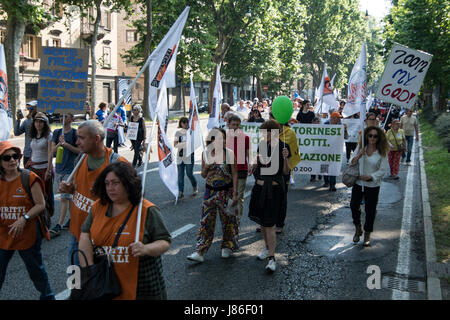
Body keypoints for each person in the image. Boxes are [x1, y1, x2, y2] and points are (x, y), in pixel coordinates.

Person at [78, 162, 171, 300]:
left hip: (142, 285)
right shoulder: (98, 207)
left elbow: (165, 241)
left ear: (128, 183)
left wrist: (146, 249)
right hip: (106, 284)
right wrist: (89, 269)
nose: (110, 188)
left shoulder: (147, 210)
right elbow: (85, 235)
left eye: (115, 183)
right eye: (107, 183)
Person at [59, 120, 128, 266]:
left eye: (82, 138)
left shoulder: (116, 163)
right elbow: (80, 188)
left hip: (101, 239)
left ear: (96, 139)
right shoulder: (81, 158)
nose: (77, 142)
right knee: (75, 280)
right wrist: (70, 189)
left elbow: (131, 202)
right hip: (76, 233)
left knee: (96, 281)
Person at [0, 141, 55, 300]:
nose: (12, 160)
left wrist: (24, 219)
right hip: (4, 236)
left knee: (36, 271)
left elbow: (40, 204)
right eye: (7, 157)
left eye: (15, 156)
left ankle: (48, 296)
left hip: (28, 235)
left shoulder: (29, 178)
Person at [187, 128, 239, 263]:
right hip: (210, 193)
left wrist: (235, 193)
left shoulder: (229, 154)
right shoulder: (206, 154)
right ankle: (200, 251)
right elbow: (203, 175)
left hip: (226, 192)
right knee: (206, 222)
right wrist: (207, 166)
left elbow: (234, 174)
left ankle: (227, 245)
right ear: (212, 140)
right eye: (217, 138)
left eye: (222, 138)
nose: (220, 141)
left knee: (228, 221)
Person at [248, 120, 291, 273]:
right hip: (259, 189)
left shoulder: (283, 147)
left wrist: (285, 158)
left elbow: (286, 172)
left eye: (266, 132)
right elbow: (258, 164)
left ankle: (272, 258)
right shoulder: (261, 145)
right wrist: (253, 164)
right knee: (263, 223)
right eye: (262, 132)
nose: (263, 134)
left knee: (270, 224)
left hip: (274, 191)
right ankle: (267, 248)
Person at [349, 126, 389, 246]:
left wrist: (371, 176)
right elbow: (351, 161)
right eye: (370, 135)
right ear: (366, 136)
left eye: (375, 136)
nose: (372, 138)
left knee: (370, 210)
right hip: (358, 183)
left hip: (372, 185)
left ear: (379, 138)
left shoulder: (382, 151)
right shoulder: (360, 148)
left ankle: (367, 233)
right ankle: (358, 227)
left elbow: (382, 170)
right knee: (353, 206)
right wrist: (358, 156)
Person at [50, 113, 80, 237]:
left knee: (64, 197)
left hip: (70, 169)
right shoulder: (57, 132)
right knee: (68, 197)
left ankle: (59, 225)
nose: (63, 118)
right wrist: (59, 143)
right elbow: (52, 151)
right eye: (61, 116)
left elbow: (79, 151)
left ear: (71, 119)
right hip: (59, 169)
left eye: (66, 116)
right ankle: (74, 219)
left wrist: (66, 144)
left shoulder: (75, 133)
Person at [226, 115, 250, 227]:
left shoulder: (245, 138)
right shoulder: (224, 138)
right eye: (233, 124)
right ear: (228, 124)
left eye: (237, 124)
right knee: (228, 196)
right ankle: (228, 218)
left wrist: (250, 165)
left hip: (241, 170)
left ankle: (237, 221)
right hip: (227, 171)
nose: (235, 127)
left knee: (239, 197)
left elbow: (248, 153)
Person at [29, 112, 54, 217]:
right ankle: (37, 215)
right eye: (36, 121)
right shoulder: (34, 135)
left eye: (41, 122)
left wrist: (48, 170)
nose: (38, 124)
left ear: (45, 124)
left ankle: (47, 216)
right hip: (33, 168)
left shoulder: (49, 135)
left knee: (46, 193)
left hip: (44, 168)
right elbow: (33, 151)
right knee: (34, 194)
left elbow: (50, 153)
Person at [278, 121, 300, 233]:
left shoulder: (289, 134)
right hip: (268, 175)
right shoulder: (265, 139)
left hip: (283, 172)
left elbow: (292, 155)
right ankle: (267, 222)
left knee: (281, 198)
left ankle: (279, 223)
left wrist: (287, 169)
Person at [323, 112, 348, 191]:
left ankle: (332, 184)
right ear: (333, 118)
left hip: (335, 150)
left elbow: (346, 137)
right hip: (325, 149)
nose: (339, 120)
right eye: (338, 118)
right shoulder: (325, 124)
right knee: (325, 165)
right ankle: (326, 181)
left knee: (333, 166)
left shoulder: (340, 126)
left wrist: (345, 130)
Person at [174, 117, 198, 199]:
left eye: (186, 122)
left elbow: (194, 143)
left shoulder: (191, 132)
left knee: (189, 173)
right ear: (180, 123)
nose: (185, 124)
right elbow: (175, 144)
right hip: (180, 156)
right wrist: (184, 144)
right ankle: (181, 191)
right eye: (183, 122)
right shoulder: (178, 133)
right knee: (180, 175)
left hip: (189, 155)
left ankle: (195, 187)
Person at [14, 101, 37, 167]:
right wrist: (18, 120)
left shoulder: (42, 120)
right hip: (27, 153)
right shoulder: (26, 121)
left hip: (37, 154)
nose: (29, 110)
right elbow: (16, 132)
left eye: (31, 108)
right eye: (28, 108)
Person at [310, 117, 322, 182]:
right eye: (315, 122)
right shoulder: (309, 129)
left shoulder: (322, 128)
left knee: (319, 162)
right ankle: (313, 176)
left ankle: (319, 173)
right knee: (313, 163)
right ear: (312, 122)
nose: (317, 123)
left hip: (320, 148)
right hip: (312, 148)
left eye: (318, 122)